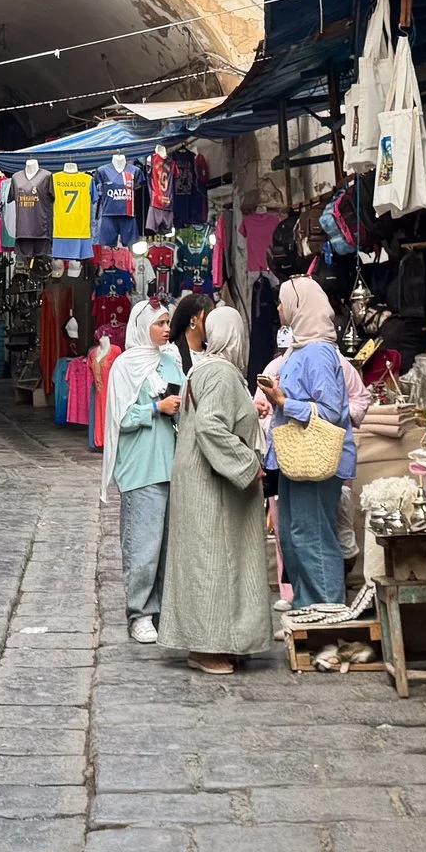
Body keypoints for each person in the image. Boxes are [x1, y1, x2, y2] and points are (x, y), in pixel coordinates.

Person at [163, 303, 274, 674]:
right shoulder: (222, 374)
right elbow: (211, 426)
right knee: (213, 562)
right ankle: (207, 647)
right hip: (212, 486)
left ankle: (220, 640)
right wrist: (247, 465)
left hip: (199, 479)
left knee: (205, 561)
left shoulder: (204, 369)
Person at [260, 275, 359, 611]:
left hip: (316, 458)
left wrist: (285, 403)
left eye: (284, 300)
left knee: (313, 537)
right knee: (293, 535)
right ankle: (306, 610)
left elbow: (330, 410)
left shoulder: (316, 352)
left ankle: (327, 616)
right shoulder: (302, 348)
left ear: (300, 306)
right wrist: (277, 398)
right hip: (296, 456)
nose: (279, 307)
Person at [104, 299, 186, 645]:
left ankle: (165, 609)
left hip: (171, 463)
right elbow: (120, 419)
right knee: (143, 545)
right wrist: (155, 407)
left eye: (168, 323)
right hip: (141, 466)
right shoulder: (124, 366)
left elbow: (184, 405)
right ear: (142, 327)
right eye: (160, 323)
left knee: (169, 545)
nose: (167, 329)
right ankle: (139, 612)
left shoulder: (171, 363)